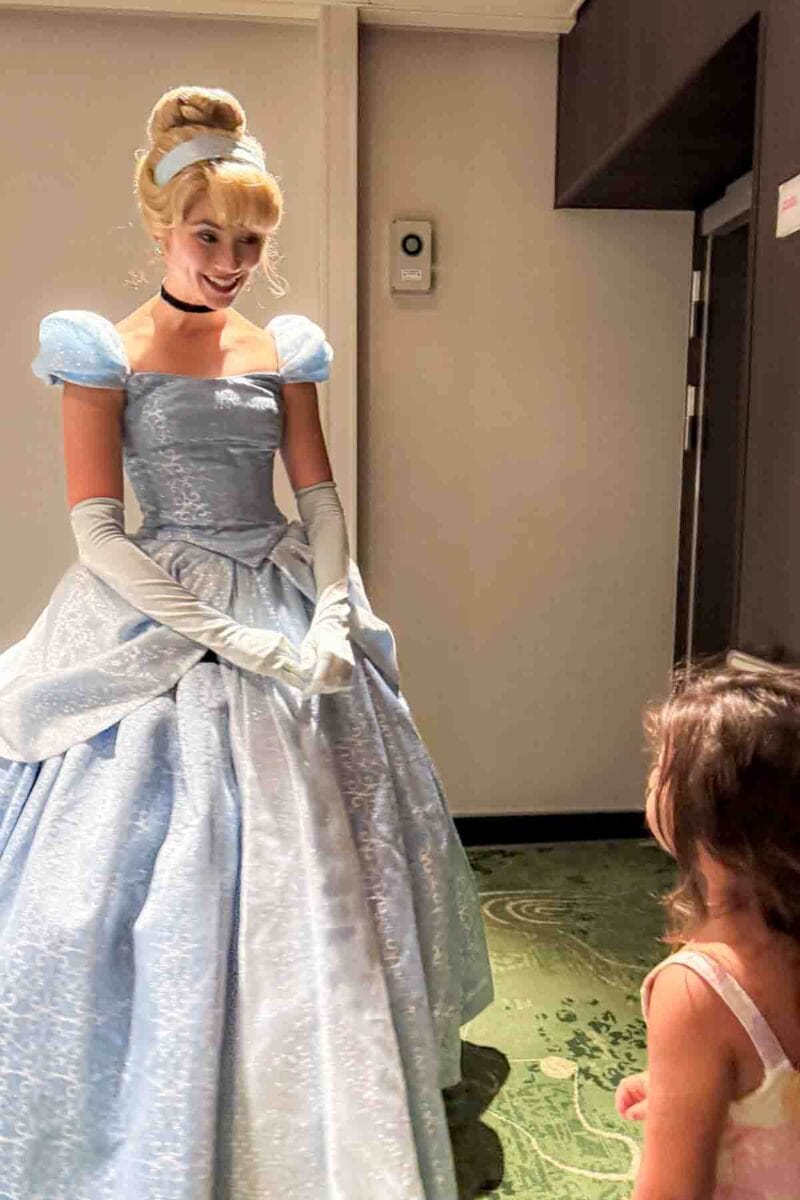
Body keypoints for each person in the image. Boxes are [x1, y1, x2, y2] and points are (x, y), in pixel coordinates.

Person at [0, 85, 494, 1199]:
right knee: (121, 866)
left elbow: (315, 492)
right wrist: (233, 640)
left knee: (328, 833)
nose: (229, 259)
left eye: (250, 240)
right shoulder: (98, 350)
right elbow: (96, 530)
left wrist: (326, 609)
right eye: (209, 234)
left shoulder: (283, 345)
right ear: (161, 227)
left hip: (279, 582)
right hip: (160, 600)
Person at [615, 663, 800, 1200]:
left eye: (661, 771)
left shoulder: (698, 992)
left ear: (708, 815)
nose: (651, 780)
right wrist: (689, 1091)